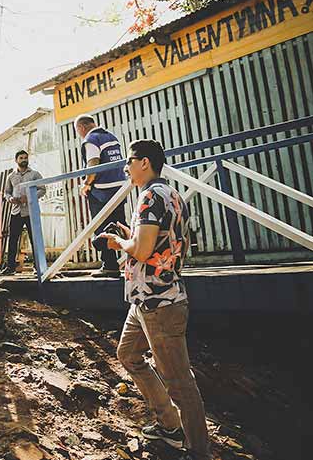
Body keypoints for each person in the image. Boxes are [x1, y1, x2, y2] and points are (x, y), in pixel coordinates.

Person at [100, 139, 209, 460]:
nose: (126, 168)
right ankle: (169, 425)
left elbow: (144, 250)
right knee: (128, 355)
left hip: (159, 304)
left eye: (129, 162)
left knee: (179, 381)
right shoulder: (173, 195)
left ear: (144, 162)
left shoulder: (149, 197)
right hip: (147, 299)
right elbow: (163, 242)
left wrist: (118, 241)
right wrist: (130, 235)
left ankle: (197, 451)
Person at [76, 114, 128, 278]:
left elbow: (93, 163)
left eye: (78, 131)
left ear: (82, 128)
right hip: (119, 188)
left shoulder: (91, 139)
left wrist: (87, 183)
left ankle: (110, 265)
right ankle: (138, 258)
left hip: (101, 191)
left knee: (102, 228)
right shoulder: (111, 136)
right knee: (120, 226)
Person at [0, 150, 45, 276]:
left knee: (35, 239)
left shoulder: (35, 174)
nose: (24, 160)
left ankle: (39, 268)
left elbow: (42, 190)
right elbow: (6, 192)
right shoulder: (11, 176)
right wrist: (10, 199)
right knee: (13, 240)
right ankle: (10, 268)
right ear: (16, 160)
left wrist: (30, 197)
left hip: (31, 211)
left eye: (25, 158)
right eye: (21, 158)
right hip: (16, 212)